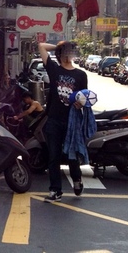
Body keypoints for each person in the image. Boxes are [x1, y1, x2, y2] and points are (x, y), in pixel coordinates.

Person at [38, 40, 88, 203]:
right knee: (54, 156)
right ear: (60, 54)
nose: (68, 55)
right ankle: (55, 191)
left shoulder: (81, 75)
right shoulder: (54, 69)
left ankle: (77, 179)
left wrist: (80, 103)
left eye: (70, 52)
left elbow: (84, 98)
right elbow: (41, 46)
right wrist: (60, 46)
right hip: (53, 120)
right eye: (65, 52)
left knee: (72, 156)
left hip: (71, 122)